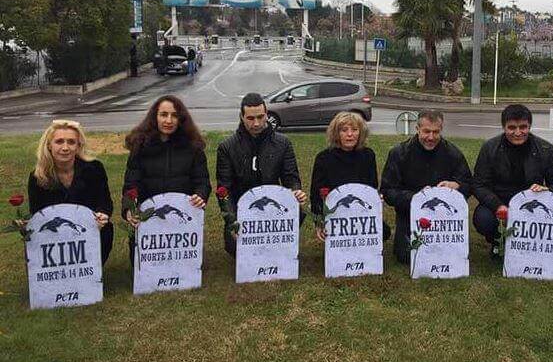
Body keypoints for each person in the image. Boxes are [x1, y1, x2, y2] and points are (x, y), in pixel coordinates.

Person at [216, 92, 307, 257]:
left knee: (299, 212)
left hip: (270, 205)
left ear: (266, 114)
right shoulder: (227, 147)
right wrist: (232, 221)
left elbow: (291, 177)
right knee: (234, 249)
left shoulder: (283, 143)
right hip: (242, 209)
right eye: (250, 118)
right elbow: (224, 190)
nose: (256, 123)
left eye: (260, 117)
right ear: (241, 117)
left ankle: (276, 237)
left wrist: (295, 191)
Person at [472, 104, 553, 259]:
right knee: (483, 218)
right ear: (503, 127)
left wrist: (547, 191)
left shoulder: (545, 148)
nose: (518, 133)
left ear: (530, 126)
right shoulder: (489, 148)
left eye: (523, 127)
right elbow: (479, 184)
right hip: (501, 200)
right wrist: (498, 206)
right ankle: (498, 242)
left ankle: (534, 245)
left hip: (533, 201)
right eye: (512, 127)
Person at [122, 95, 211, 263]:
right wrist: (129, 209)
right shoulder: (140, 146)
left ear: (181, 119)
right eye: (163, 115)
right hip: (148, 216)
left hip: (181, 214)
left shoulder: (194, 147)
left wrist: (201, 195)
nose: (169, 120)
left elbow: (202, 181)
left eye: (174, 115)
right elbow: (131, 184)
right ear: (155, 117)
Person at [381, 110, 472, 264]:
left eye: (436, 132)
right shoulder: (399, 153)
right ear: (417, 129)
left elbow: (470, 184)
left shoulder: (453, 153)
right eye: (426, 131)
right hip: (410, 214)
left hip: (443, 219)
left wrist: (456, 185)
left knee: (448, 255)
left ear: (441, 130)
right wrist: (415, 197)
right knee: (406, 256)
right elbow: (387, 191)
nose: (431, 137)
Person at [27, 120, 113, 265]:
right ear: (49, 145)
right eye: (59, 142)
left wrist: (102, 215)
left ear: (78, 145)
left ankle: (92, 268)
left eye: (71, 142)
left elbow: (105, 202)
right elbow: (37, 213)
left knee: (107, 228)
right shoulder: (37, 177)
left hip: (89, 228)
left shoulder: (95, 168)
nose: (65, 147)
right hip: (54, 234)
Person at [310, 111, 391, 242]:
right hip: (336, 213)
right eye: (344, 130)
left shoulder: (368, 155)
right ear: (336, 133)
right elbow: (316, 195)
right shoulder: (323, 158)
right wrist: (319, 222)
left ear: (361, 133)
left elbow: (372, 186)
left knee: (384, 232)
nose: (350, 134)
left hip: (360, 212)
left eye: (354, 130)